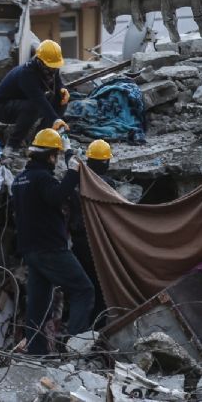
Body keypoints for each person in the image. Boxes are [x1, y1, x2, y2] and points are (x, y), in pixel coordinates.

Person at [11, 128, 90, 355]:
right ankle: (75, 348)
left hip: (30, 250)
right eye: (56, 156)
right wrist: (73, 173)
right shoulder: (41, 178)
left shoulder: (19, 180)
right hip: (50, 248)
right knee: (83, 290)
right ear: (51, 156)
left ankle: (36, 353)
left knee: (38, 303)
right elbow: (57, 196)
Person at [66, 139, 116, 328]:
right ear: (106, 162)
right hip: (97, 242)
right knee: (100, 286)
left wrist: (68, 151)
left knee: (81, 287)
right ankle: (97, 329)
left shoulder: (77, 180)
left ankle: (79, 326)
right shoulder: (106, 183)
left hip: (76, 242)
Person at [0, 40, 70, 153]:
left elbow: (57, 82)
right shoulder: (27, 74)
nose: (53, 69)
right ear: (40, 61)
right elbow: (39, 100)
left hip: (24, 101)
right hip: (2, 108)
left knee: (61, 99)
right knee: (33, 107)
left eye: (55, 66)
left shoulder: (51, 68)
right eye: (51, 66)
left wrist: (63, 89)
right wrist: (56, 119)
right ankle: (12, 145)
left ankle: (40, 140)